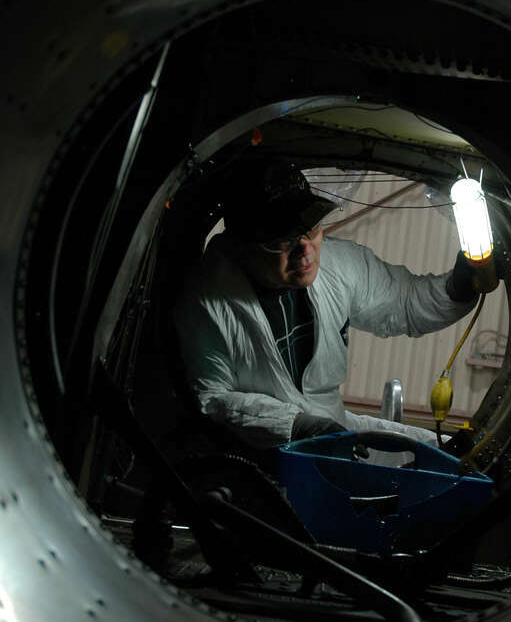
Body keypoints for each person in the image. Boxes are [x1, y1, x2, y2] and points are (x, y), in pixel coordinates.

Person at [173, 159, 483, 456]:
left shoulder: (339, 265)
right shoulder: (206, 299)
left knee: (446, 452)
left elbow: (404, 304)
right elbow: (212, 398)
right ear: (241, 245)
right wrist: (294, 425)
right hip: (258, 457)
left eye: (312, 229)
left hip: (333, 432)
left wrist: (459, 286)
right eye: (283, 240)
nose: (305, 250)